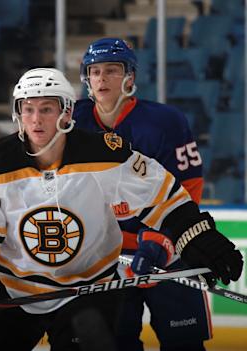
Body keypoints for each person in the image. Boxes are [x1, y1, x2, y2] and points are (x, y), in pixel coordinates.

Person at [0, 67, 243, 351]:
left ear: (66, 112)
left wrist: (197, 236)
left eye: (46, 109)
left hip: (90, 289)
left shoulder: (104, 155)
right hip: (16, 289)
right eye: (28, 109)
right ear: (18, 114)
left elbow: (163, 197)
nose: (36, 119)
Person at [73, 37, 212, 351]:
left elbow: (188, 188)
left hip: (169, 253)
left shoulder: (165, 121)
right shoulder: (72, 122)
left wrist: (162, 241)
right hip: (107, 259)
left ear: (130, 78)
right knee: (114, 343)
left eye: (112, 70)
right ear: (86, 79)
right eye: (95, 71)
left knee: (185, 344)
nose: (102, 78)